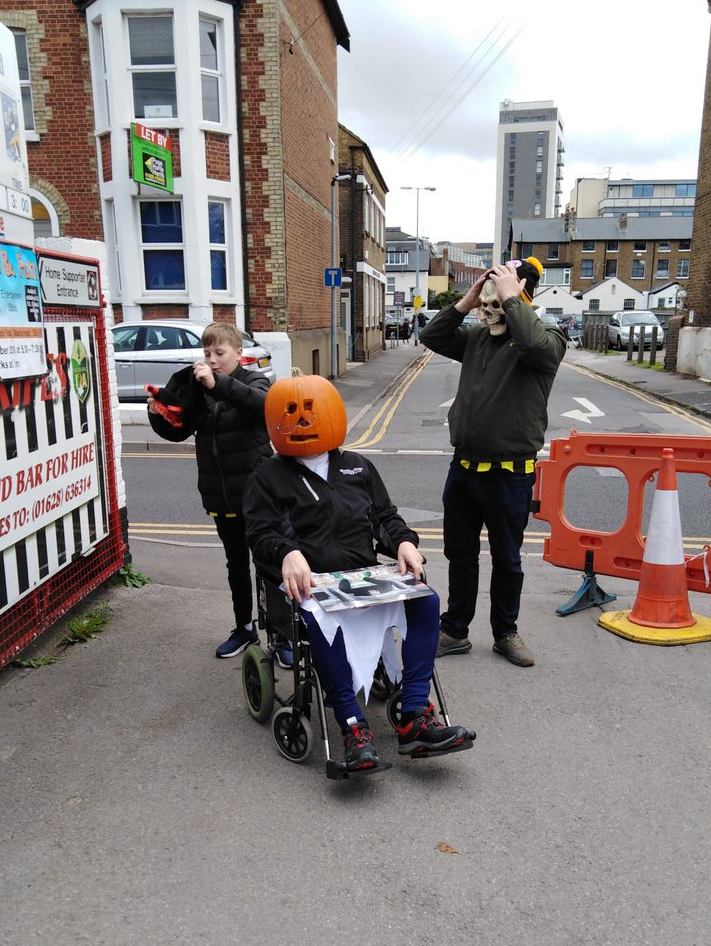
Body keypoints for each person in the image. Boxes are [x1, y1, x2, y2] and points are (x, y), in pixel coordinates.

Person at [244, 374, 475, 772]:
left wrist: (403, 542)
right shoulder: (267, 476)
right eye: (292, 414)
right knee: (320, 616)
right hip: (312, 583)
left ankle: (415, 715)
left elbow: (384, 517)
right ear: (274, 423)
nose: (303, 422)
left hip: (362, 577)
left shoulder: (356, 466)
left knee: (427, 599)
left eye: (311, 412)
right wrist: (288, 552)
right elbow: (260, 534)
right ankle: (352, 725)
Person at [419, 258, 567, 667]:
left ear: (522, 295)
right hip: (464, 470)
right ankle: (455, 630)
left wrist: (511, 297)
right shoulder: (477, 338)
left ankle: (505, 632)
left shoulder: (547, 339)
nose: (490, 311)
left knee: (508, 559)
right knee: (460, 555)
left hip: (509, 476)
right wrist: (467, 301)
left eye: (497, 301)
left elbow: (536, 345)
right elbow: (431, 335)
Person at [146, 321, 280, 662]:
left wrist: (217, 383)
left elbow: (261, 407)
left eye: (219, 352)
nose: (212, 359)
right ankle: (243, 628)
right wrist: (159, 416)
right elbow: (180, 431)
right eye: (207, 353)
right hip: (220, 496)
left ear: (238, 352)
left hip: (257, 495)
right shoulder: (199, 388)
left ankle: (281, 635)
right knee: (236, 565)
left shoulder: (254, 380)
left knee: (269, 565)